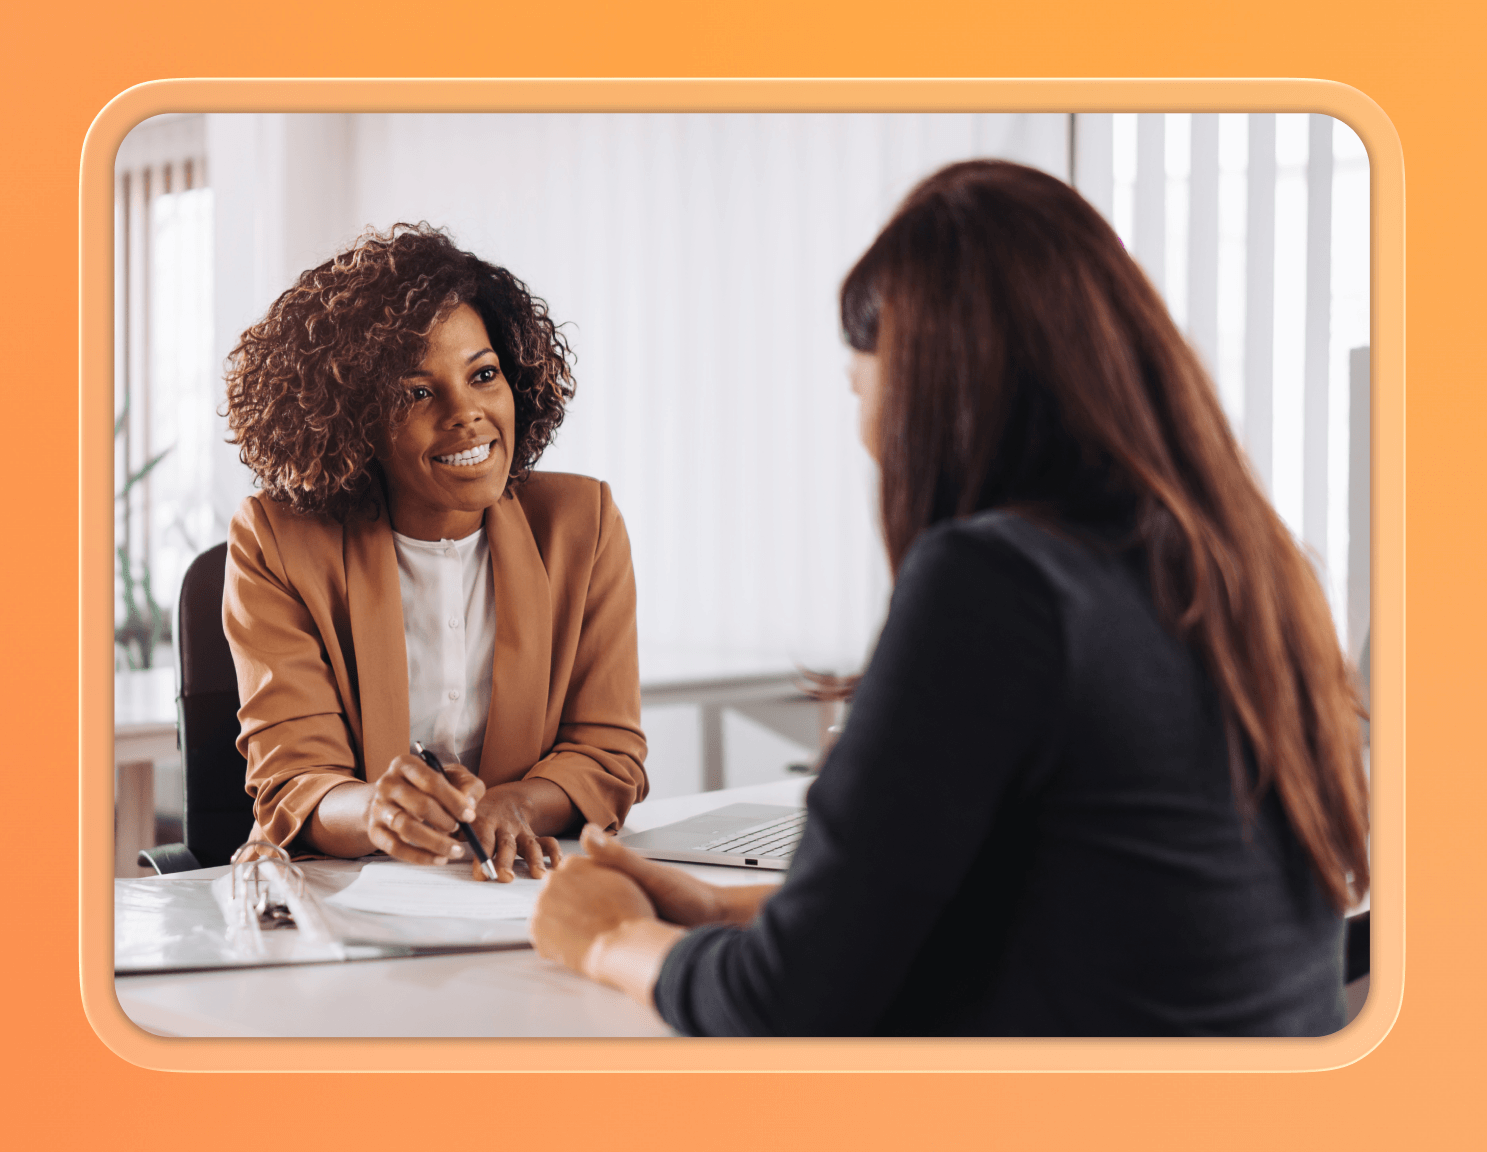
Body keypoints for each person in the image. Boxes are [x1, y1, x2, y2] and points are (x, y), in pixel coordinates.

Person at [529, 160, 1370, 1035]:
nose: (868, 444)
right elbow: (1057, 907)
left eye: (862, 391)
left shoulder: (998, 584)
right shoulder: (1262, 573)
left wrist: (608, 938)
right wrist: (715, 909)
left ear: (932, 392)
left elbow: (786, 1006)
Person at [223, 224, 647, 882]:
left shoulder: (580, 524)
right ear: (354, 418)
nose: (466, 413)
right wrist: (376, 812)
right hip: (339, 897)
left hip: (513, 889)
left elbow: (607, 752)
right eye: (417, 392)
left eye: (483, 375)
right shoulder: (276, 540)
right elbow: (295, 779)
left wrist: (515, 806)